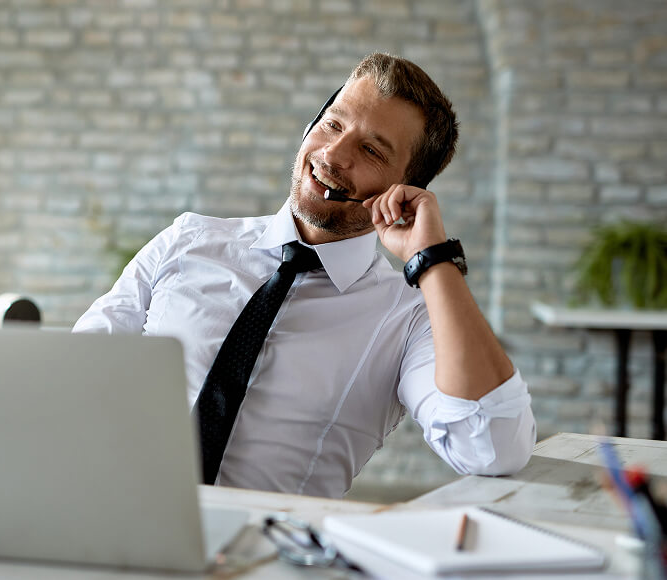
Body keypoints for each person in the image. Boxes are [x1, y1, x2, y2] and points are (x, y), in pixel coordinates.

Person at [74, 52, 536, 499]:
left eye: (371, 150)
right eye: (333, 124)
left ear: (406, 189)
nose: (333, 154)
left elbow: (492, 448)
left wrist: (432, 260)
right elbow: (75, 371)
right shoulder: (188, 240)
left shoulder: (407, 320)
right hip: (110, 519)